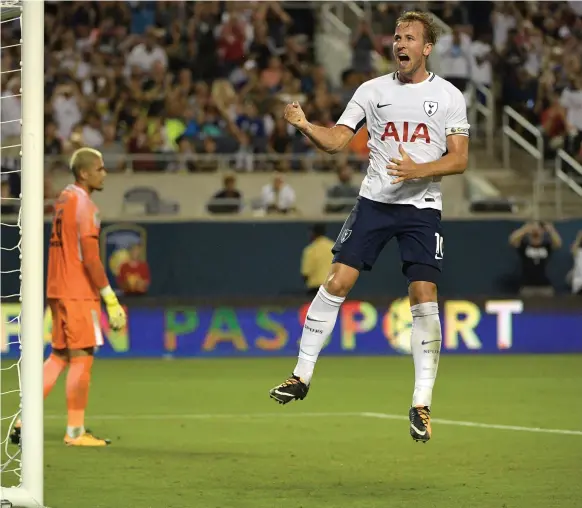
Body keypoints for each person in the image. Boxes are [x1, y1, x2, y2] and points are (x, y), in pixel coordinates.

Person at [268, 11, 470, 444]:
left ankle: (421, 402)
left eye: (410, 38)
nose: (401, 43)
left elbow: (459, 159)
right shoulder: (372, 90)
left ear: (426, 47)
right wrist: (304, 126)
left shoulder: (449, 96)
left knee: (423, 292)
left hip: (421, 207)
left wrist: (419, 170)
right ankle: (300, 375)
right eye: (397, 37)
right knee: (337, 281)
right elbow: (338, 140)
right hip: (374, 203)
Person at [10, 148, 127, 447]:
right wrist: (110, 298)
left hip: (56, 288)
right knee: (82, 357)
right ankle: (75, 431)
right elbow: (90, 258)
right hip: (77, 291)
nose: (105, 173)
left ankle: (24, 421)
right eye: (100, 169)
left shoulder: (63, 199)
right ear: (85, 173)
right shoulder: (87, 206)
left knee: (58, 357)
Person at [508, 221, 562, 297]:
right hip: (527, 286)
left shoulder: (546, 246)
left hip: (545, 286)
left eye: (539, 229)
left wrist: (551, 230)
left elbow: (558, 244)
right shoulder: (524, 246)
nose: (536, 230)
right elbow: (512, 240)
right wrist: (525, 229)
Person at [301, 224, 335, 297]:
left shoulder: (310, 250)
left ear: (313, 233)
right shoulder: (333, 246)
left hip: (316, 290)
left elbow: (305, 274)